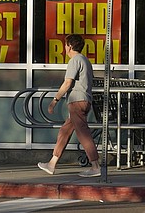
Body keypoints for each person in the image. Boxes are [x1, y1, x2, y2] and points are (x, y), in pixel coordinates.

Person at [37, 34, 101, 177]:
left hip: (76, 101)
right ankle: (52, 163)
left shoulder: (75, 60)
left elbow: (67, 83)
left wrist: (55, 100)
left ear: (70, 46)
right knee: (65, 131)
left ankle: (96, 166)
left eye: (65, 45)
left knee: (83, 134)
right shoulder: (85, 60)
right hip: (83, 100)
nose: (64, 48)